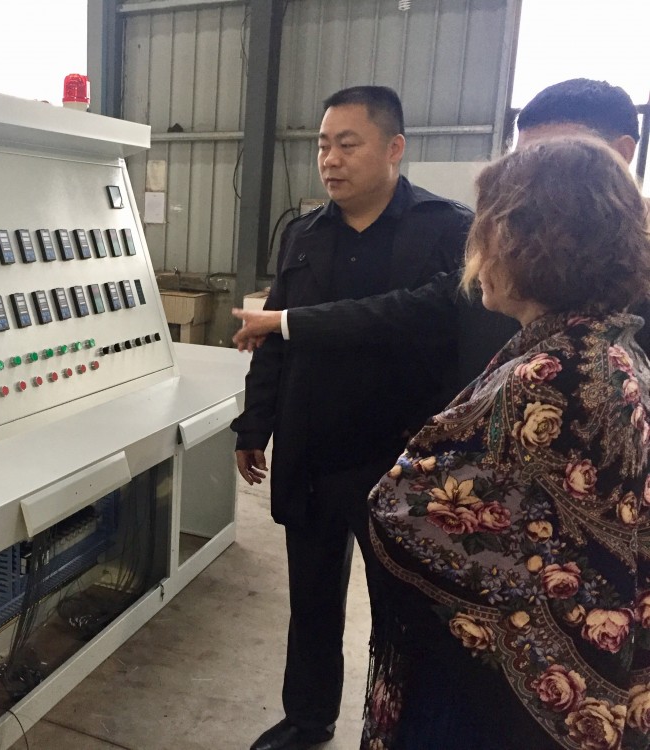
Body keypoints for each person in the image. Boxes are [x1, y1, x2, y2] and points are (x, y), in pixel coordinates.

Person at [362, 136, 650, 749]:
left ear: (532, 240)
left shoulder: (548, 374)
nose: (478, 249)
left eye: (489, 227)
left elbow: (404, 511)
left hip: (498, 691)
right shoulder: (612, 347)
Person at [231, 86, 473, 750]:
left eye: (347, 144)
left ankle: (397, 728)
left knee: (403, 610)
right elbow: (271, 342)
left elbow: (422, 317)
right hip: (314, 449)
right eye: (322, 146)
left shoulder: (447, 230)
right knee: (311, 600)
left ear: (394, 148)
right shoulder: (305, 235)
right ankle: (308, 718)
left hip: (398, 459)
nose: (330, 160)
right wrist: (255, 426)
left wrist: (290, 322)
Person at [231, 79, 645, 387]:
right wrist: (282, 321)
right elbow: (403, 311)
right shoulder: (522, 264)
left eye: (555, 163)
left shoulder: (448, 226)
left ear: (621, 155)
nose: (528, 187)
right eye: (523, 164)